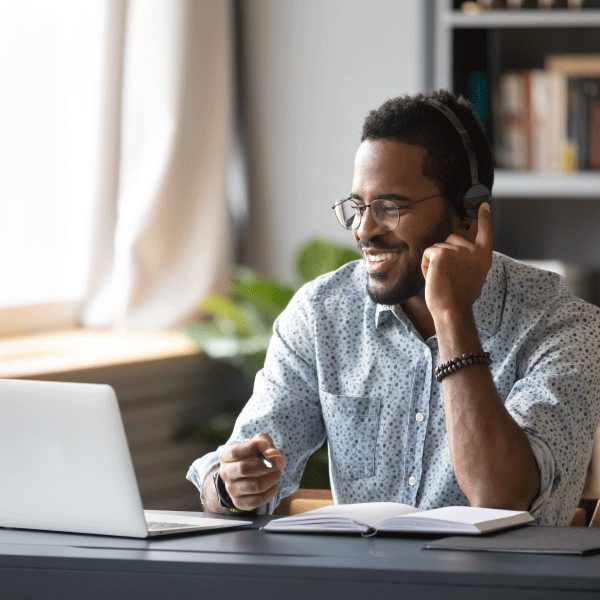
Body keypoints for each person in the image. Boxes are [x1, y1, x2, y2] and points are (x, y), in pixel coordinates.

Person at [187, 89, 600, 525]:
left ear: (468, 211)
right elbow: (229, 473)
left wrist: (452, 315)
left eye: (389, 208)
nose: (364, 230)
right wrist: (230, 485)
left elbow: (500, 497)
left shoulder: (565, 327)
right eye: (357, 207)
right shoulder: (322, 314)